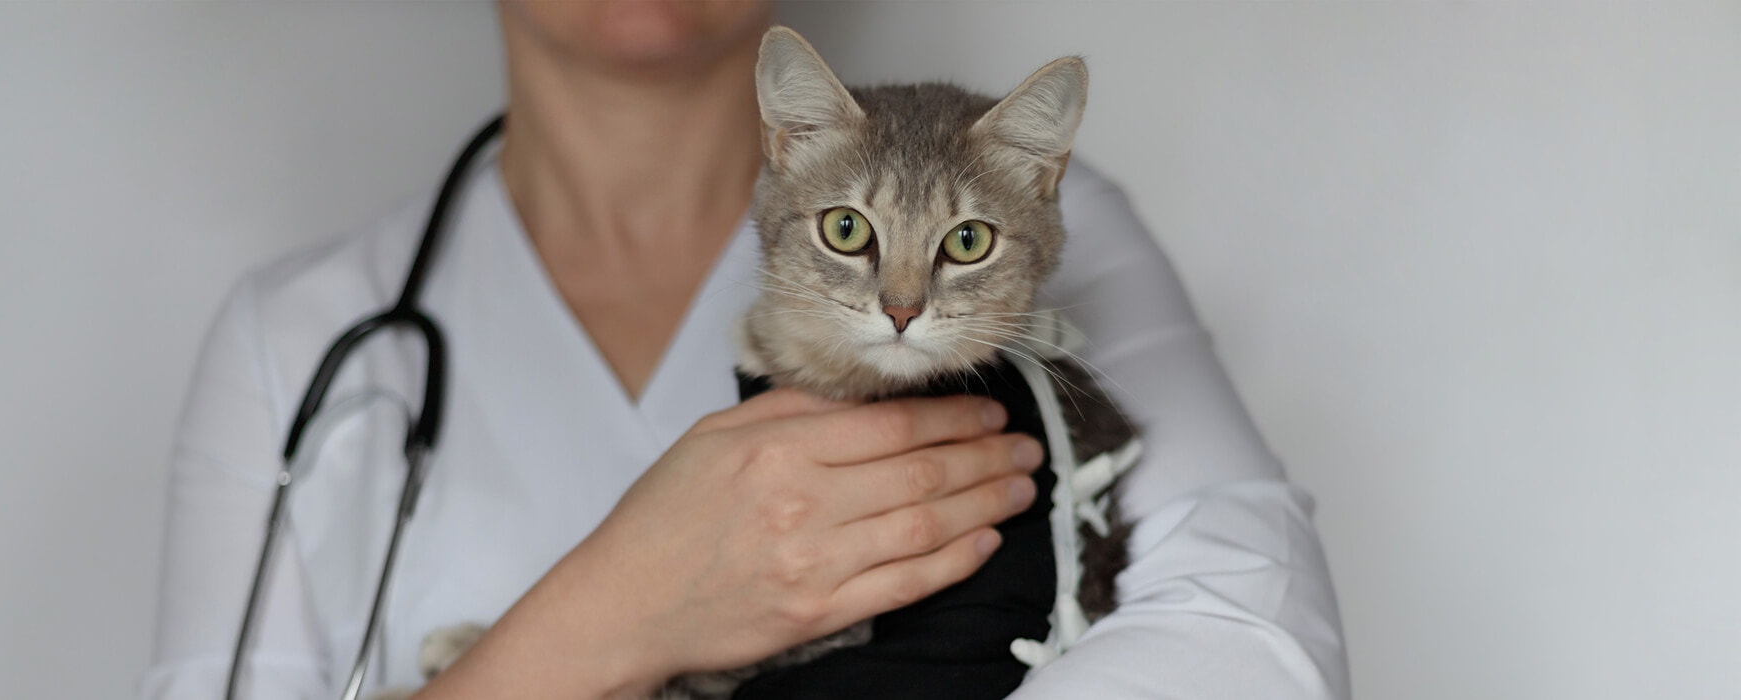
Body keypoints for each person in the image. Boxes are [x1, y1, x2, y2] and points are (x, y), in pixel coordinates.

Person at [144, 2, 1348, 698]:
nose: (907, 296)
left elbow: (1257, 642)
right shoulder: (293, 340)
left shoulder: (1058, 257)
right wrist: (609, 611)